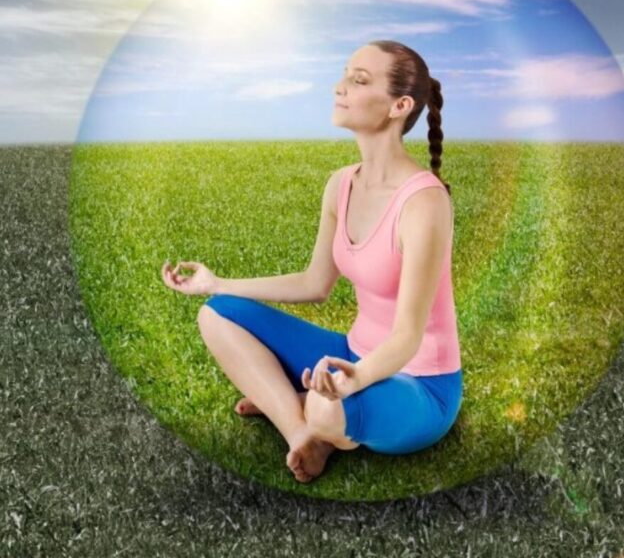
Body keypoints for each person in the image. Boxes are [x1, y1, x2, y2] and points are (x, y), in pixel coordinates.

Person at [160, 39, 462, 484]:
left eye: (359, 81)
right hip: (350, 355)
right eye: (344, 75)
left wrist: (353, 380)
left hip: (420, 385)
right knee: (216, 316)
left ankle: (306, 408)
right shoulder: (341, 184)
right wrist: (217, 283)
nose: (340, 87)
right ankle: (302, 430)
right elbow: (314, 283)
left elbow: (407, 337)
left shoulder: (424, 203)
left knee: (327, 402)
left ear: (400, 105)